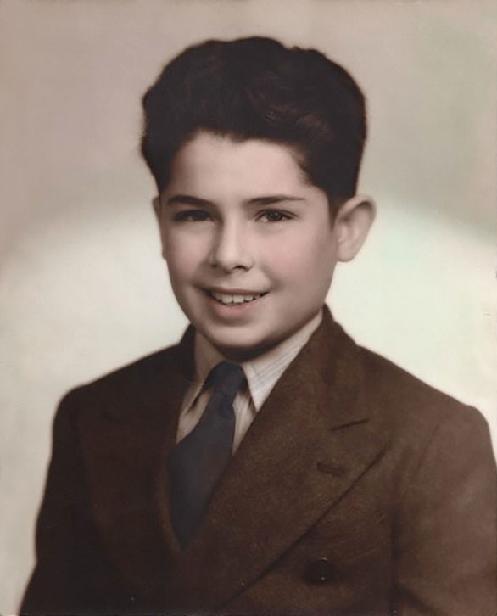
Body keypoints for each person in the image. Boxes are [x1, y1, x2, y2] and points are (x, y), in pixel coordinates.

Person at [21, 36, 496, 615]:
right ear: (161, 224)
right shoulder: (95, 415)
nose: (229, 255)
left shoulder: (430, 442)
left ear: (346, 229)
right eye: (195, 215)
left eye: (272, 215)